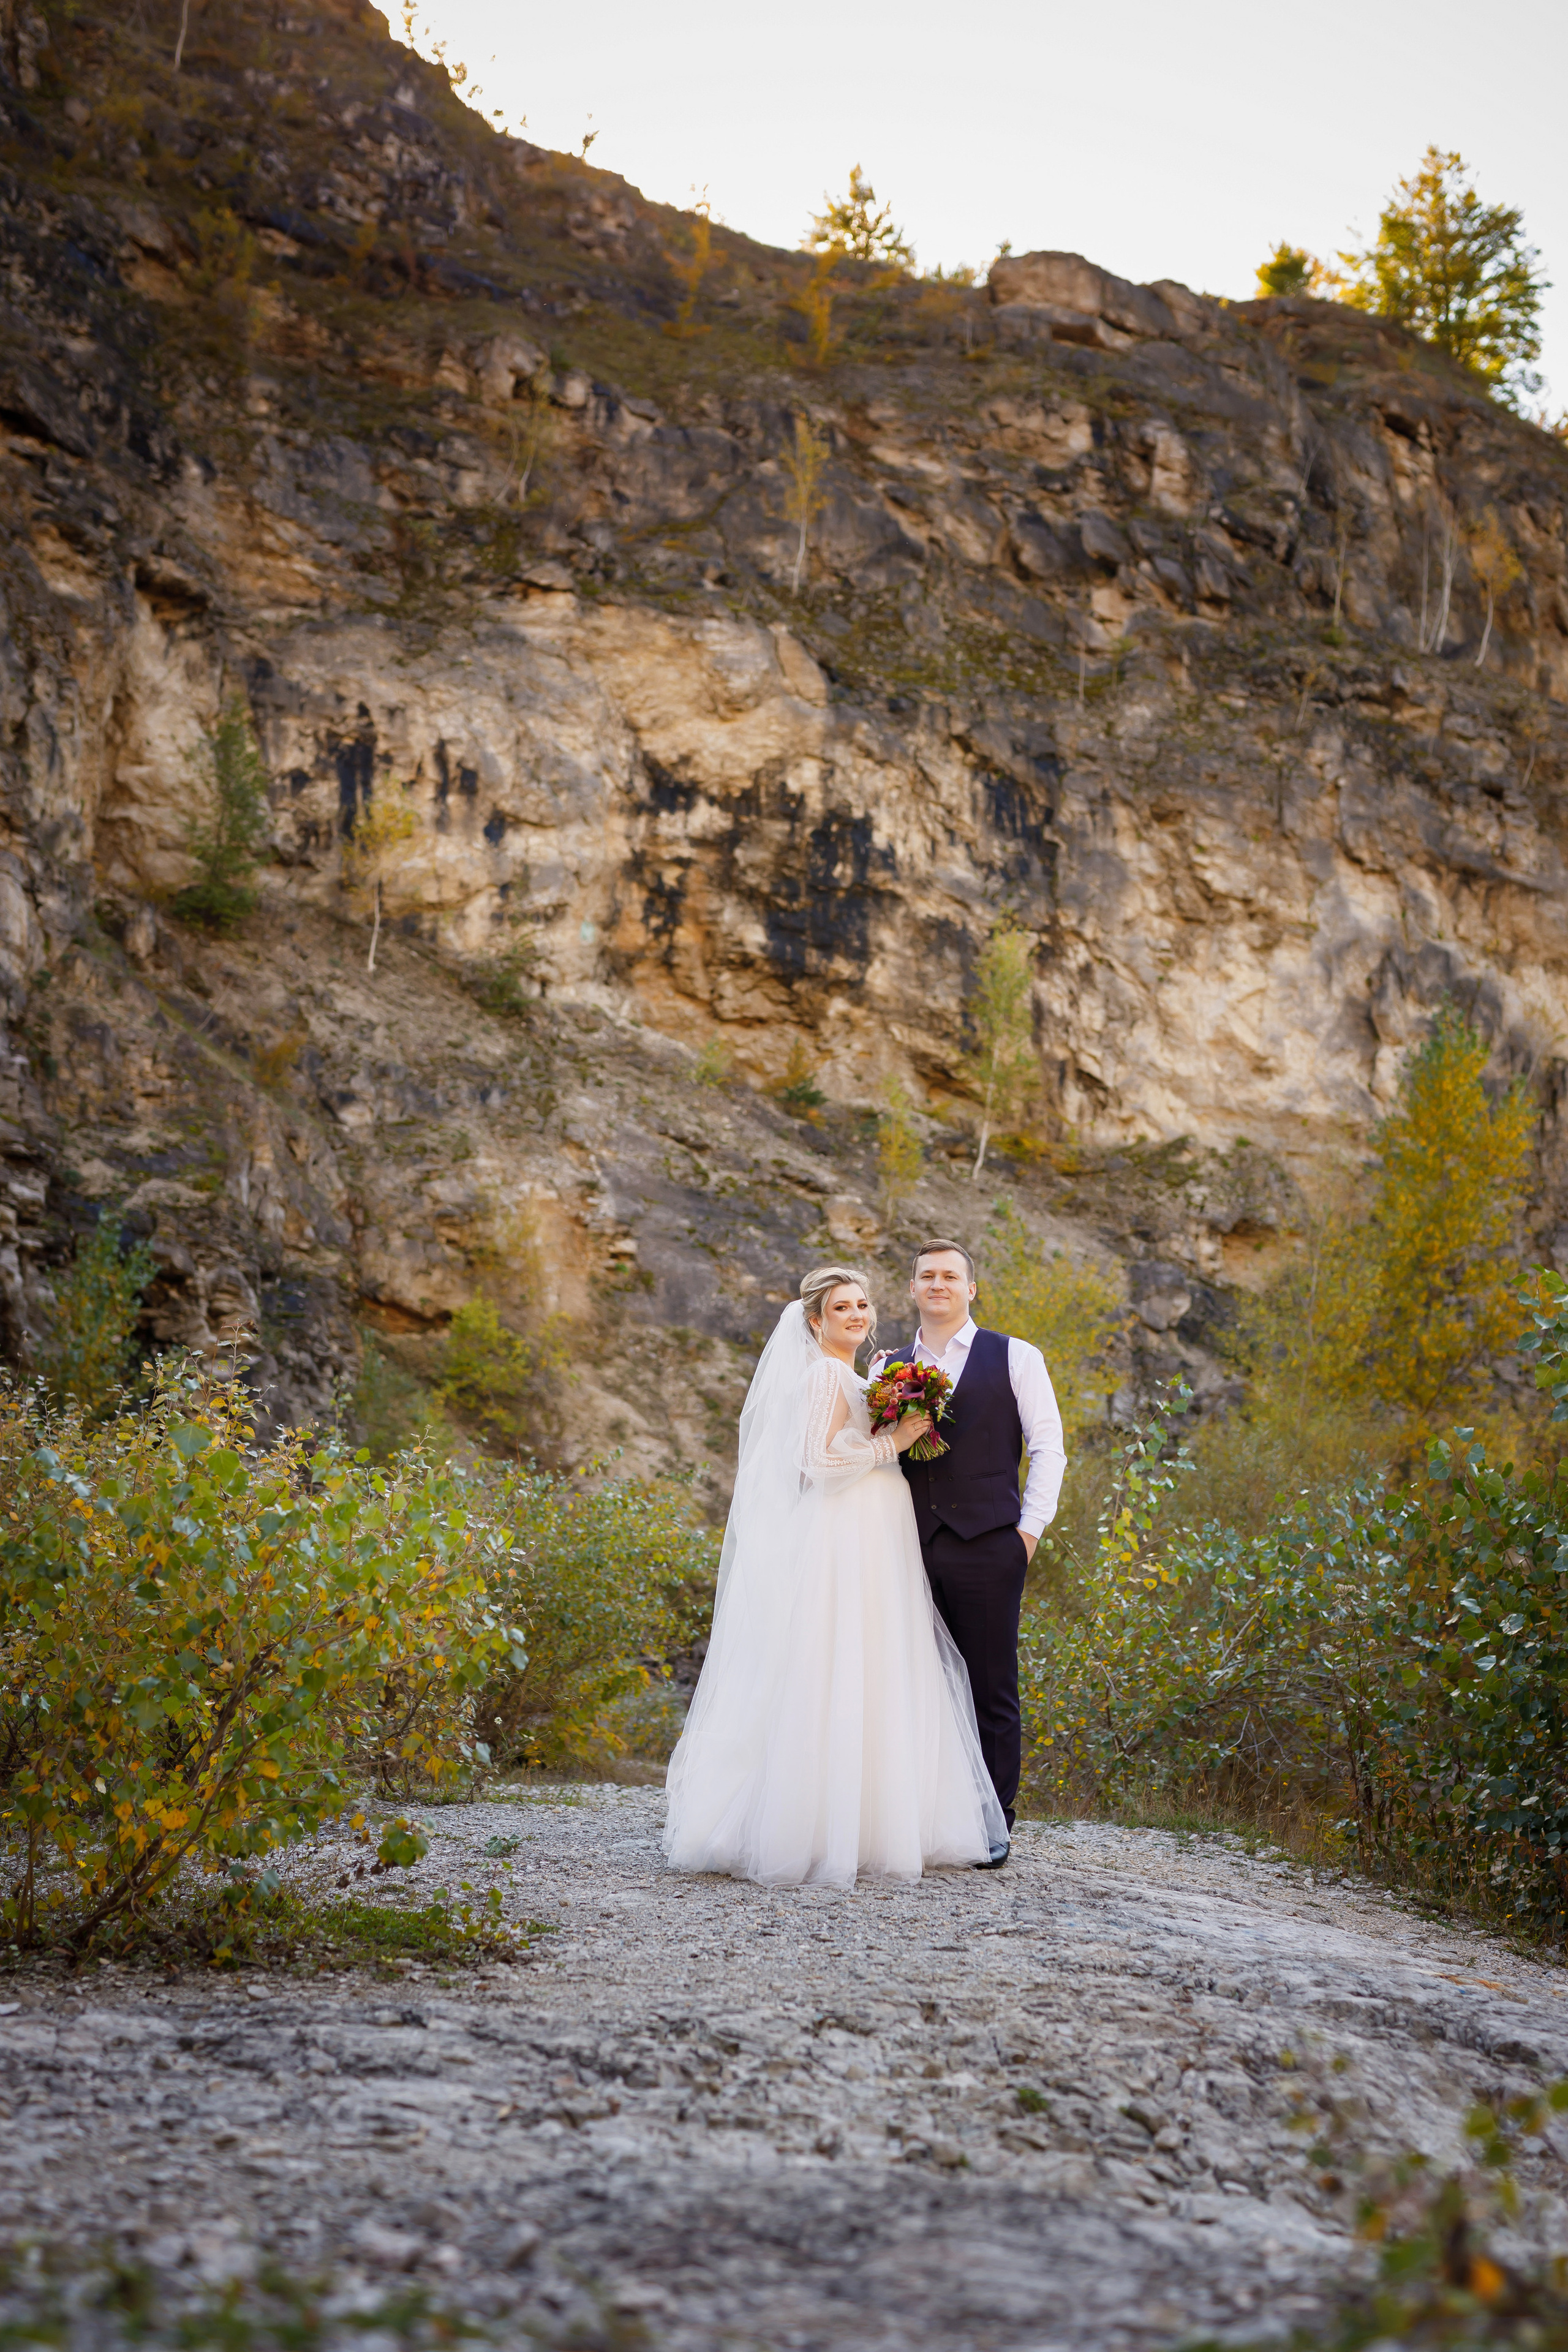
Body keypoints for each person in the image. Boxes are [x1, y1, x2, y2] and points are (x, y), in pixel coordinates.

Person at [663, 1265, 1007, 1887]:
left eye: (862, 1305)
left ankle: (872, 1820)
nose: (856, 1315)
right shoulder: (824, 1375)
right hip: (845, 1534)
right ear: (816, 1321)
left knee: (875, 1664)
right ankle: (818, 1826)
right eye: (842, 1307)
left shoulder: (860, 1376)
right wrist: (894, 1442)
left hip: (878, 1532)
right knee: (839, 1663)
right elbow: (815, 1462)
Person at [875, 1240, 1066, 1869]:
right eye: (926, 1275)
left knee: (990, 1688)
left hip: (990, 1545)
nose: (938, 1284)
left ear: (970, 1289)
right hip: (906, 1546)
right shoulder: (888, 1366)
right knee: (913, 1685)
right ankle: (924, 1818)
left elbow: (1048, 1448)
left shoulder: (1016, 1356)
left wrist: (1027, 1534)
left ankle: (992, 1824)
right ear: (911, 1288)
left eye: (950, 1276)